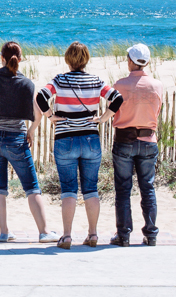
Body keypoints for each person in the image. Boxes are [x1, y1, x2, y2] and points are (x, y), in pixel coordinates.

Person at [37, 41, 121, 249]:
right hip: (90, 138)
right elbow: (117, 98)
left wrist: (50, 116)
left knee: (68, 189)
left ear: (68, 59)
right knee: (91, 188)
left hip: (65, 138)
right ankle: (92, 234)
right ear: (86, 59)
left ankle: (66, 236)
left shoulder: (59, 80)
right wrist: (103, 118)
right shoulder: (96, 81)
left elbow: (40, 96)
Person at [0, 41, 58, 243]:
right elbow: (38, 113)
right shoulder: (26, 83)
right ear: (20, 59)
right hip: (16, 140)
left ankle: (4, 232)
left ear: (1, 58)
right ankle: (44, 232)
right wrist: (31, 131)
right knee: (31, 187)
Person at [105, 42, 164, 247]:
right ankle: (151, 233)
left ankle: (123, 234)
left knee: (123, 189)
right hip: (148, 140)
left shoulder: (120, 85)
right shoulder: (157, 85)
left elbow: (113, 109)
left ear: (130, 60)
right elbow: (157, 111)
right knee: (147, 187)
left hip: (124, 140)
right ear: (146, 62)